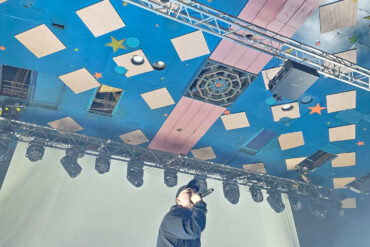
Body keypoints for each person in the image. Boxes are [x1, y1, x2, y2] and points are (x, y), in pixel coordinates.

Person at [156, 179, 207, 247]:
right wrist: (199, 206)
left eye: (195, 192)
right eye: (188, 191)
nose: (194, 194)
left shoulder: (192, 220)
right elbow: (193, 231)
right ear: (178, 200)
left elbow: (196, 229)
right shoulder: (170, 219)